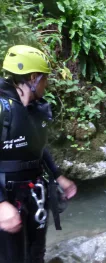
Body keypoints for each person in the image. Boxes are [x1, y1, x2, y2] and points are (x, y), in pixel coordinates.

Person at [0, 45, 77, 263]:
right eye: (45, 78)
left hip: (33, 190)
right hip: (7, 193)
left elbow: (37, 148)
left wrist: (58, 175)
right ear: (33, 78)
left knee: (36, 252)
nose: (47, 83)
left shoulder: (35, 110)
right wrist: (1, 204)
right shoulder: (2, 108)